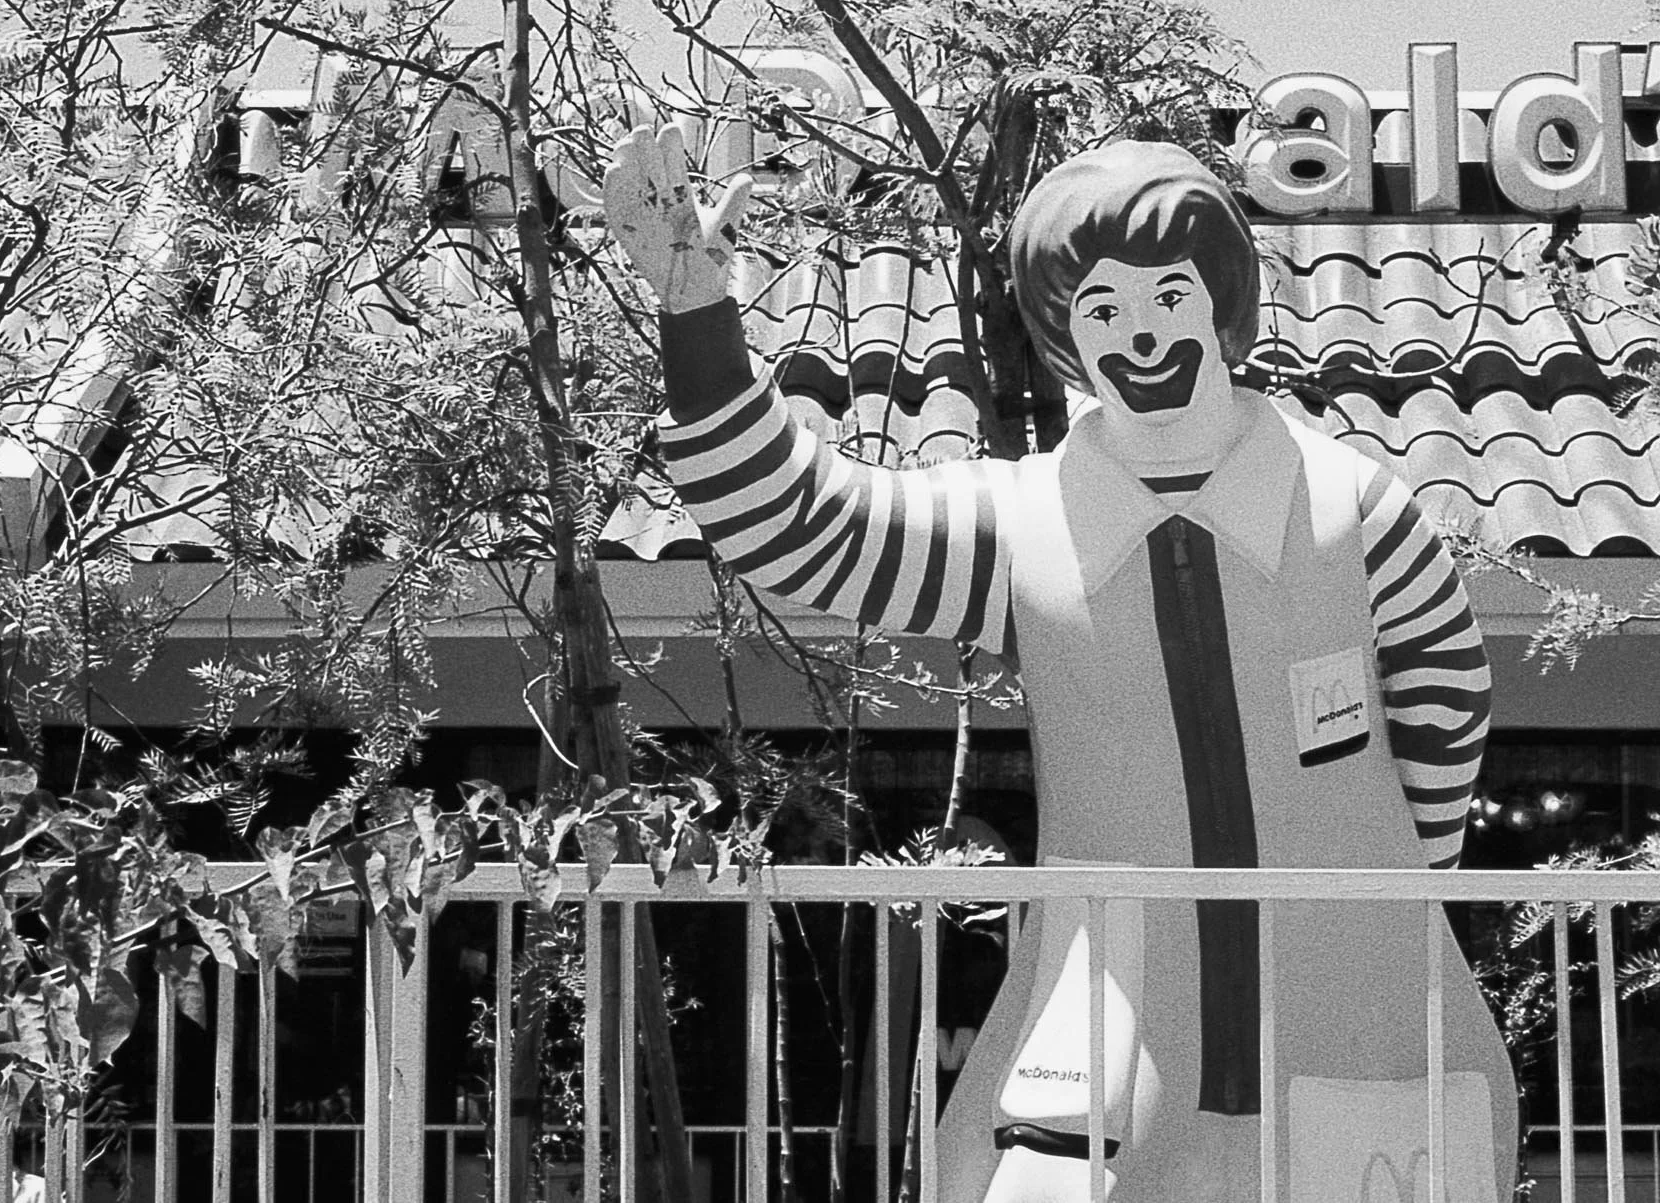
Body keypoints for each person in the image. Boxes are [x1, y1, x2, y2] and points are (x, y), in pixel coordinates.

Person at [607, 129, 1515, 1203]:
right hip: (1103, 1024)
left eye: (1168, 297)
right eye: (1103, 310)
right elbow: (810, 531)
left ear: (1223, 305)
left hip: (1361, 1014)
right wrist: (699, 317)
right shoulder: (1021, 522)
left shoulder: (1359, 513)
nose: (1141, 335)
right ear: (1067, 339)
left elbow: (1444, 708)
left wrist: (1386, 903)